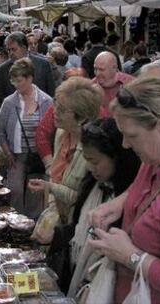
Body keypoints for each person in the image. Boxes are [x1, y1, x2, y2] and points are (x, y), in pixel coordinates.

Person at [88, 77, 160, 303]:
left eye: (132, 136)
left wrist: (130, 256)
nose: (125, 144)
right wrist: (119, 203)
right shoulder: (156, 157)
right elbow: (147, 187)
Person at [40, 118, 140, 293]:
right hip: (77, 275)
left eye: (94, 161)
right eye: (86, 160)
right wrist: (56, 235)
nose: (89, 167)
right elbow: (79, 228)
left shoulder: (127, 202)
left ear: (118, 158)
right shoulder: (92, 186)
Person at [29, 77, 102, 224]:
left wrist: (50, 187)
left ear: (81, 118)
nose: (54, 112)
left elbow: (85, 199)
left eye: (61, 109)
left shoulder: (93, 152)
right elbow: (55, 175)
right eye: (55, 105)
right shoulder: (61, 133)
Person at [0, 57, 52, 218]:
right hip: (16, 156)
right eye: (14, 81)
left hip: (38, 157)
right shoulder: (9, 102)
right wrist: (7, 153)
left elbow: (52, 131)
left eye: (19, 81)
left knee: (35, 194)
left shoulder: (46, 101)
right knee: (15, 191)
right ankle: (16, 222)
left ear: (29, 78)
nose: (16, 85)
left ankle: (32, 225)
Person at [0, 31, 56, 112]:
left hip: (41, 116)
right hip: (15, 118)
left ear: (24, 48)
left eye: (13, 49)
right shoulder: (2, 70)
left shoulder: (43, 65)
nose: (10, 53)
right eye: (8, 50)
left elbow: (51, 92)